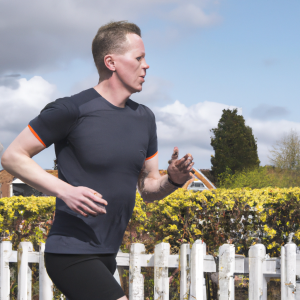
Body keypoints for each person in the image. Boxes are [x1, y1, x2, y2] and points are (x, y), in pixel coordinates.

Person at [1, 21, 194, 300]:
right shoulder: (70, 109)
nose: (146, 66)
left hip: (107, 253)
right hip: (71, 251)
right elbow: (12, 156)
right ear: (111, 62)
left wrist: (173, 180)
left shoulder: (145, 118)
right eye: (139, 58)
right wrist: (65, 190)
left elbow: (149, 189)